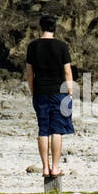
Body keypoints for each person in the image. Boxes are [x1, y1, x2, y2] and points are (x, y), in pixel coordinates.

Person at [25, 15, 73, 178]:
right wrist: (70, 91)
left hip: (40, 91)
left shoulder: (32, 46)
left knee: (43, 129)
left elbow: (30, 73)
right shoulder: (62, 46)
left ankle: (45, 167)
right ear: (55, 28)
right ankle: (55, 167)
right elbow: (67, 71)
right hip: (59, 92)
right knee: (57, 130)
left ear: (41, 27)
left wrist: (33, 91)